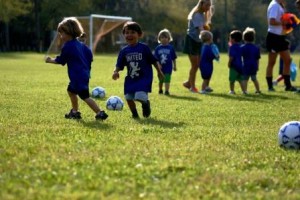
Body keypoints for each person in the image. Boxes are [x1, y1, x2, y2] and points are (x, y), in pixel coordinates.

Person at [45, 17, 108, 120]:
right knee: (71, 91)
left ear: (69, 32)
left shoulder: (68, 46)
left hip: (77, 76)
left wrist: (50, 60)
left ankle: (100, 113)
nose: (60, 36)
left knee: (85, 96)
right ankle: (75, 112)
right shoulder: (82, 45)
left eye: (62, 33)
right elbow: (90, 56)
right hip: (83, 74)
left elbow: (61, 60)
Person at [112, 21, 164, 119]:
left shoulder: (144, 48)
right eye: (127, 33)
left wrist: (159, 71)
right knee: (128, 98)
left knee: (139, 96)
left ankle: (145, 104)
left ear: (139, 34)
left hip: (144, 78)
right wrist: (115, 71)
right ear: (124, 35)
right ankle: (135, 115)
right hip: (131, 79)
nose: (129, 35)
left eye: (132, 32)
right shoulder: (124, 51)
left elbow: (153, 61)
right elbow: (119, 64)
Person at [266, 0, 297, 91]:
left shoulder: (280, 5)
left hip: (280, 37)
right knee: (272, 62)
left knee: (288, 60)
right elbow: (272, 21)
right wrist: (284, 23)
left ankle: (288, 85)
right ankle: (270, 87)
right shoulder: (274, 5)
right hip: (273, 37)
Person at [182, 0, 213, 93]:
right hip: (191, 41)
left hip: (198, 42)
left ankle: (189, 82)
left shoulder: (203, 15)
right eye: (207, 5)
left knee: (198, 65)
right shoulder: (196, 15)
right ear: (201, 3)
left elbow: (203, 27)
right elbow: (200, 29)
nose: (208, 7)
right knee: (195, 65)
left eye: (209, 5)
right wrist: (208, 38)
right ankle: (192, 87)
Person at [154, 28, 177, 95]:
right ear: (159, 39)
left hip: (168, 67)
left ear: (169, 38)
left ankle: (167, 91)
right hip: (160, 68)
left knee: (167, 79)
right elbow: (156, 58)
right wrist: (158, 65)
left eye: (165, 37)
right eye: (162, 37)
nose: (164, 39)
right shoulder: (158, 48)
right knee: (161, 80)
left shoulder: (171, 48)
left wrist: (174, 66)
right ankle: (160, 89)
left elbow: (174, 58)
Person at [241, 27, 261, 94]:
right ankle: (258, 90)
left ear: (244, 38)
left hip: (246, 65)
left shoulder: (242, 48)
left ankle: (245, 91)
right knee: (254, 78)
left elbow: (240, 56)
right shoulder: (256, 48)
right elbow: (257, 58)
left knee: (245, 79)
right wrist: (257, 66)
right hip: (254, 66)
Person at [228, 30, 246, 94]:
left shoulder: (232, 47)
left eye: (230, 38)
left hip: (234, 66)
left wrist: (229, 63)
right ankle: (244, 91)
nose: (229, 39)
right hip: (240, 65)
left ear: (233, 39)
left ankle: (232, 91)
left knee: (231, 80)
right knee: (241, 79)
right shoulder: (240, 47)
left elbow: (231, 57)